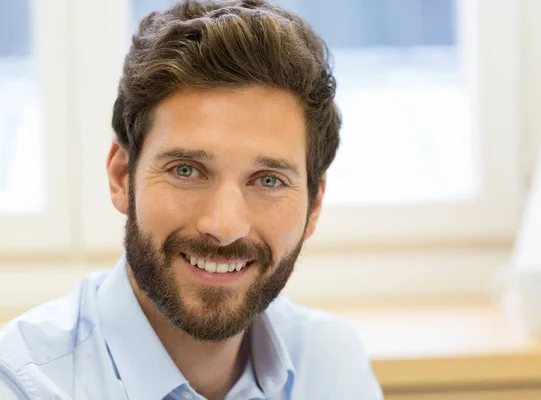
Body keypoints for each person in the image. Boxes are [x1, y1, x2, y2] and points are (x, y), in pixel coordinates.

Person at [0, 0, 383, 399]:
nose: (223, 226)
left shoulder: (331, 365)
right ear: (120, 178)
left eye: (268, 180)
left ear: (314, 205)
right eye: (186, 170)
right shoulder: (22, 385)